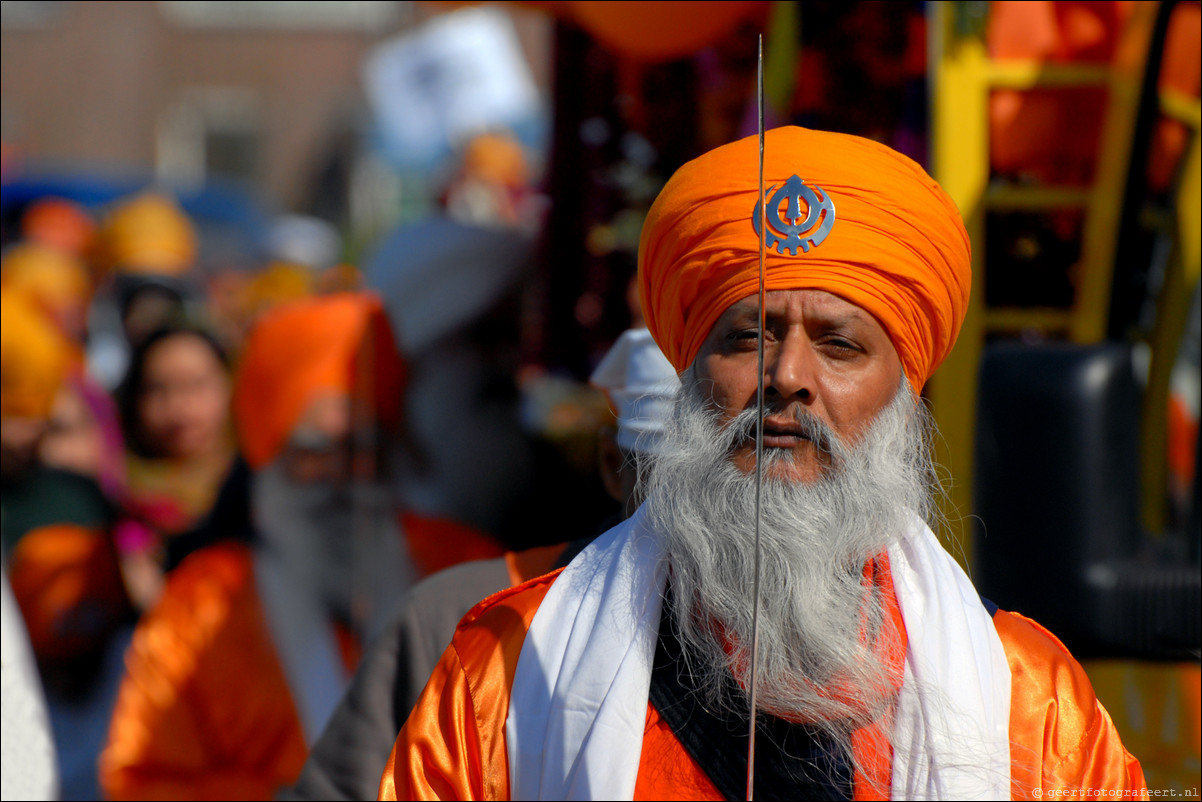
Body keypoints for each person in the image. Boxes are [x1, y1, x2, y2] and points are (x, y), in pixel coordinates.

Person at [379, 127, 1147, 800]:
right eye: (748, 336)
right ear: (687, 374)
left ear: (903, 396)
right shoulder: (513, 672)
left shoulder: (1030, 704)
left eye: (841, 344)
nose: (787, 377)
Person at [99, 291, 504, 801]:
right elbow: (140, 780)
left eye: (362, 446)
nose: (340, 475)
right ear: (271, 461)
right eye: (314, 451)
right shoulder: (200, 606)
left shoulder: (467, 569)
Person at [286, 326, 679, 800]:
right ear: (613, 466)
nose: (696, 514)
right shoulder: (458, 618)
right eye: (675, 479)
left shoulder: (786, 657)